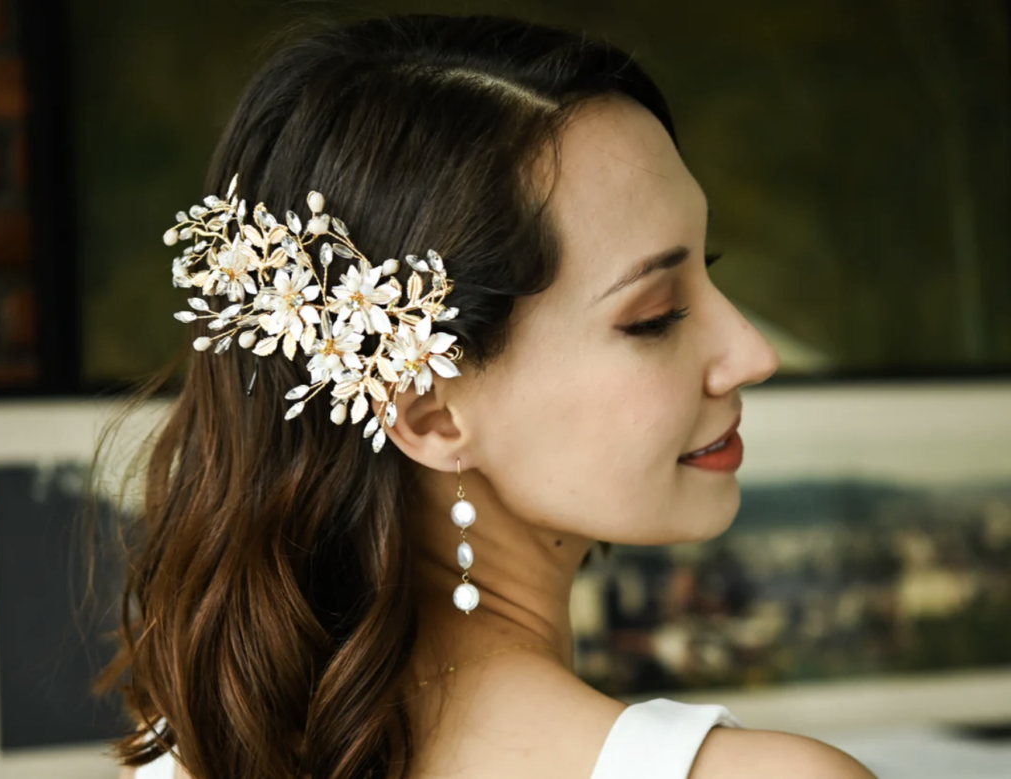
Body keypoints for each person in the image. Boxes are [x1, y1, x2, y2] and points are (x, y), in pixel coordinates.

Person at [101, 12, 878, 779]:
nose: (752, 352)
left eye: (709, 269)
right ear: (429, 414)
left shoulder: (185, 750)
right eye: (655, 317)